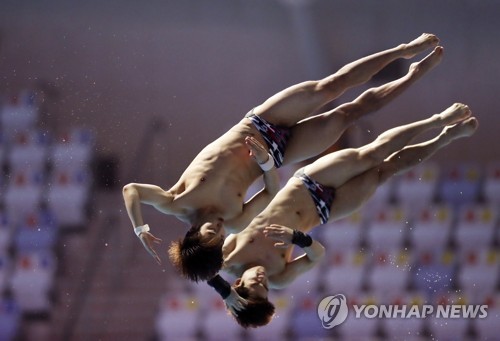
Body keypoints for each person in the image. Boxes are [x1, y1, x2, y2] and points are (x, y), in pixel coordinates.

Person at [123, 34, 441, 281]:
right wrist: (264, 163)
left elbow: (132, 190)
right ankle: (411, 76)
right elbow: (272, 193)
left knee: (331, 86)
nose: (220, 228)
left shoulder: (176, 201)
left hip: (260, 123)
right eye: (220, 237)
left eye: (211, 232)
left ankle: (403, 50)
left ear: (192, 234)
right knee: (347, 115)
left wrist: (139, 227)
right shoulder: (234, 222)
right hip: (279, 154)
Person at [206, 103, 478, 328]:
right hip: (327, 211)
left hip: (306, 183)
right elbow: (318, 254)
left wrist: (224, 292)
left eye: (255, 285)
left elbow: (197, 267)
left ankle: (437, 118)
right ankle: (444, 138)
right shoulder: (280, 276)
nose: (263, 282)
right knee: (382, 172)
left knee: (370, 155)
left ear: (239, 283)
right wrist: (295, 237)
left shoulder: (229, 259)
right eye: (264, 289)